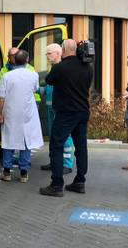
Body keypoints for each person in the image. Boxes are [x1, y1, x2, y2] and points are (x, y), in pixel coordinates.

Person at [39, 39, 93, 197]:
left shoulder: (60, 67)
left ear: (63, 49)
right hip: (83, 112)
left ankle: (56, 184)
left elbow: (49, 80)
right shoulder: (88, 67)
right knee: (81, 147)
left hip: (66, 113)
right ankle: (80, 181)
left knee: (56, 144)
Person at [0, 50, 43, 183]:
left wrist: (0, 113)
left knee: (8, 141)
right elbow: (35, 89)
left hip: (10, 112)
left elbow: (1, 98)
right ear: (27, 61)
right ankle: (23, 172)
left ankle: (6, 172)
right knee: (26, 141)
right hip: (27, 112)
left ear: (14, 61)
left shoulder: (7, 76)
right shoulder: (33, 75)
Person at [39, 43, 74, 175]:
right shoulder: (54, 68)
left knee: (65, 137)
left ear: (58, 53)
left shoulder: (61, 69)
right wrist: (36, 89)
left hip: (60, 109)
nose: (47, 56)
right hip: (51, 108)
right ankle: (55, 161)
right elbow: (49, 89)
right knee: (54, 137)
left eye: (49, 53)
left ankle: (67, 164)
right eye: (46, 53)